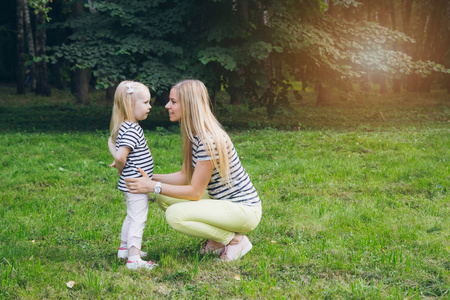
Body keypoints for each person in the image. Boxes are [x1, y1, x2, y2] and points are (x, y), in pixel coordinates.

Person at [125, 79, 262, 262]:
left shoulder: (208, 140)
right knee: (164, 198)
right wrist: (147, 178)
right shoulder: (194, 134)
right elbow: (184, 177)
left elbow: (195, 192)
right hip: (223, 202)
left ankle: (235, 240)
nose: (167, 106)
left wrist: (152, 186)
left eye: (173, 102)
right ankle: (216, 242)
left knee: (175, 216)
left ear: (189, 105)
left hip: (244, 211)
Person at [108, 80, 156, 270]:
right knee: (138, 217)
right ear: (130, 105)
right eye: (145, 102)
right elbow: (121, 155)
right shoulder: (132, 129)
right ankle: (134, 259)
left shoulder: (126, 127)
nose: (149, 106)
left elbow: (119, 151)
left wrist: (121, 163)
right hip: (136, 184)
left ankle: (124, 249)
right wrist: (120, 166)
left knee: (131, 216)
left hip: (133, 182)